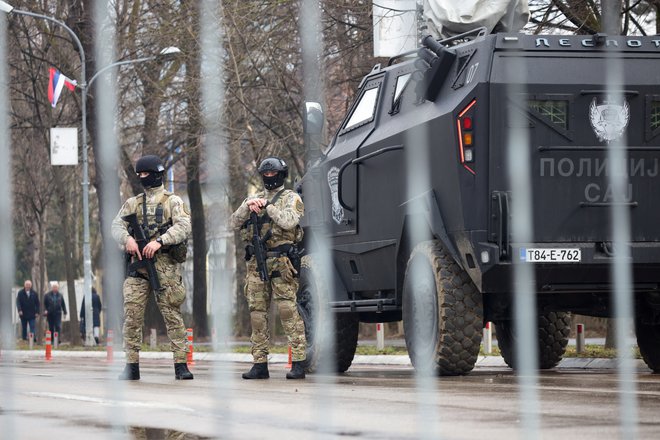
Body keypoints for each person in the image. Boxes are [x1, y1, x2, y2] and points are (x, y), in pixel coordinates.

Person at [111, 154, 193, 381]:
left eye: (145, 174)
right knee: (132, 316)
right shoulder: (133, 203)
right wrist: (126, 239)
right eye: (139, 175)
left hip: (165, 267)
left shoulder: (172, 201)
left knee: (172, 315)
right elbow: (116, 225)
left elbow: (184, 226)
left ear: (157, 174)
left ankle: (181, 365)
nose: (142, 178)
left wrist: (160, 241)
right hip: (138, 268)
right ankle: (131, 366)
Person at [230, 157, 307, 380]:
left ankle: (299, 362)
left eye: (274, 174)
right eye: (266, 174)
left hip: (282, 263)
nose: (270, 178)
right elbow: (233, 223)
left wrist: (268, 207)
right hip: (256, 264)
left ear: (282, 174)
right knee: (257, 313)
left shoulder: (291, 198)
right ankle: (259, 363)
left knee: (288, 311)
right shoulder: (253, 199)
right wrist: (247, 207)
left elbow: (288, 222)